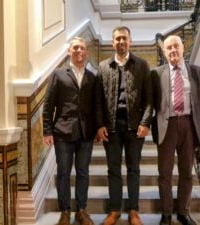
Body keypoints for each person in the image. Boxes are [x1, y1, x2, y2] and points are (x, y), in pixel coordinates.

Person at [95, 26, 153, 225]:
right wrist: (100, 125)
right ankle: (114, 210)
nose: (121, 42)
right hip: (111, 127)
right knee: (113, 170)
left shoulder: (142, 65)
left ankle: (134, 210)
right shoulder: (103, 67)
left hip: (134, 127)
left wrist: (145, 122)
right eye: (117, 38)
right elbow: (98, 100)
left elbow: (149, 99)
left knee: (133, 169)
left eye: (124, 38)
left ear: (130, 41)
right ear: (112, 42)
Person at [151, 35, 200, 225]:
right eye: (169, 48)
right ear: (164, 52)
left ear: (183, 48)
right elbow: (151, 102)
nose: (173, 50)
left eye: (176, 46)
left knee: (186, 173)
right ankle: (166, 213)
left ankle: (183, 212)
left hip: (189, 126)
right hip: (167, 126)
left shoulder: (199, 73)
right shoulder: (156, 74)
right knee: (164, 173)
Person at [43, 37, 96, 225]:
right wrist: (47, 131)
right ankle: (65, 211)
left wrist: (97, 129)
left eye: (82, 48)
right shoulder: (58, 74)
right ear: (69, 51)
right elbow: (48, 105)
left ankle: (81, 210)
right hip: (62, 133)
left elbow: (95, 106)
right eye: (75, 48)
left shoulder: (92, 77)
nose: (79, 51)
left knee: (83, 172)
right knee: (64, 173)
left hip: (86, 133)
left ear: (87, 52)